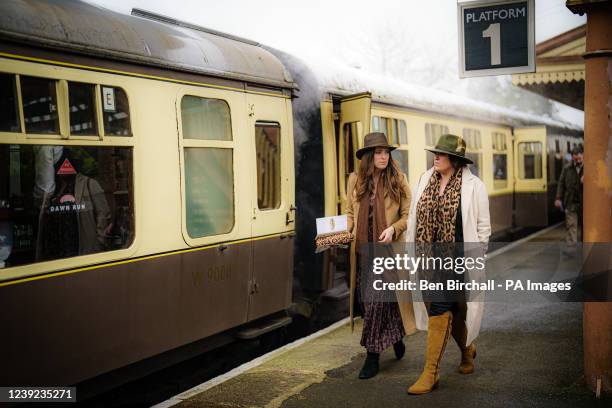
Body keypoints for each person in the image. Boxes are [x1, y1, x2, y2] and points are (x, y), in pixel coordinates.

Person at [405, 134, 490, 394]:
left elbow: (483, 228)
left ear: (454, 159)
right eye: (435, 153)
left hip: (458, 260)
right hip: (428, 258)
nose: (436, 157)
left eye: (441, 154)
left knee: (440, 309)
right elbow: (413, 219)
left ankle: (431, 372)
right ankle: (467, 351)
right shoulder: (423, 180)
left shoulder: (474, 186)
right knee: (452, 309)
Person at [345, 132, 415, 379]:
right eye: (378, 152)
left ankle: (372, 357)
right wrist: (343, 231)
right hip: (363, 253)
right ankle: (396, 337)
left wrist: (393, 228)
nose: (384, 157)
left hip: (388, 252)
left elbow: (408, 216)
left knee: (376, 303)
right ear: (368, 156)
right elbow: (350, 214)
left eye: (386, 152)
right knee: (370, 305)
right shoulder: (355, 180)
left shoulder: (399, 179)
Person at [555, 145, 583, 254]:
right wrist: (558, 198)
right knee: (571, 225)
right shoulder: (566, 169)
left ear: (583, 156)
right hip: (570, 202)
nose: (577, 160)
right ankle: (571, 249)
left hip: (586, 203)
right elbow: (561, 184)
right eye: (575, 159)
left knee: (586, 227)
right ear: (572, 158)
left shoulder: (590, 168)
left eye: (579, 158)